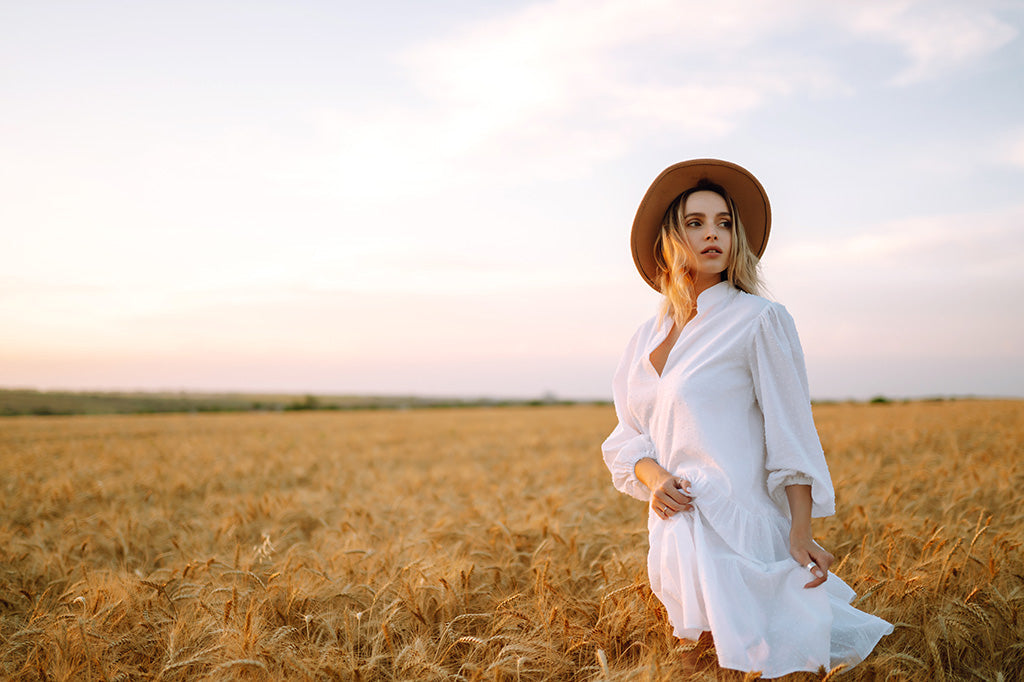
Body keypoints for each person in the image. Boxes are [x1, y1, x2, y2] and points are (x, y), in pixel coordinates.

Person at [602, 159, 892, 677]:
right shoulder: (644, 338)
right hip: (675, 531)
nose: (713, 234)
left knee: (747, 667)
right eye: (695, 223)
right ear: (670, 238)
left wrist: (800, 532)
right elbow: (630, 435)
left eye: (724, 223)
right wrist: (655, 479)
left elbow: (792, 431)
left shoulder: (759, 320)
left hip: (739, 533)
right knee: (689, 668)